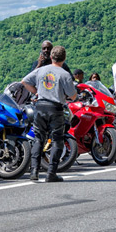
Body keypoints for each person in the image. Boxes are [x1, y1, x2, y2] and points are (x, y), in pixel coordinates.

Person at [22, 46, 77, 182]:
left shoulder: (41, 70)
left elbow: (24, 82)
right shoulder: (64, 74)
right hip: (55, 108)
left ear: (51, 57)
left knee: (39, 138)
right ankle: (51, 173)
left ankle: (34, 171)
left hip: (40, 107)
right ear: (64, 58)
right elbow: (73, 96)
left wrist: (36, 92)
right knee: (57, 139)